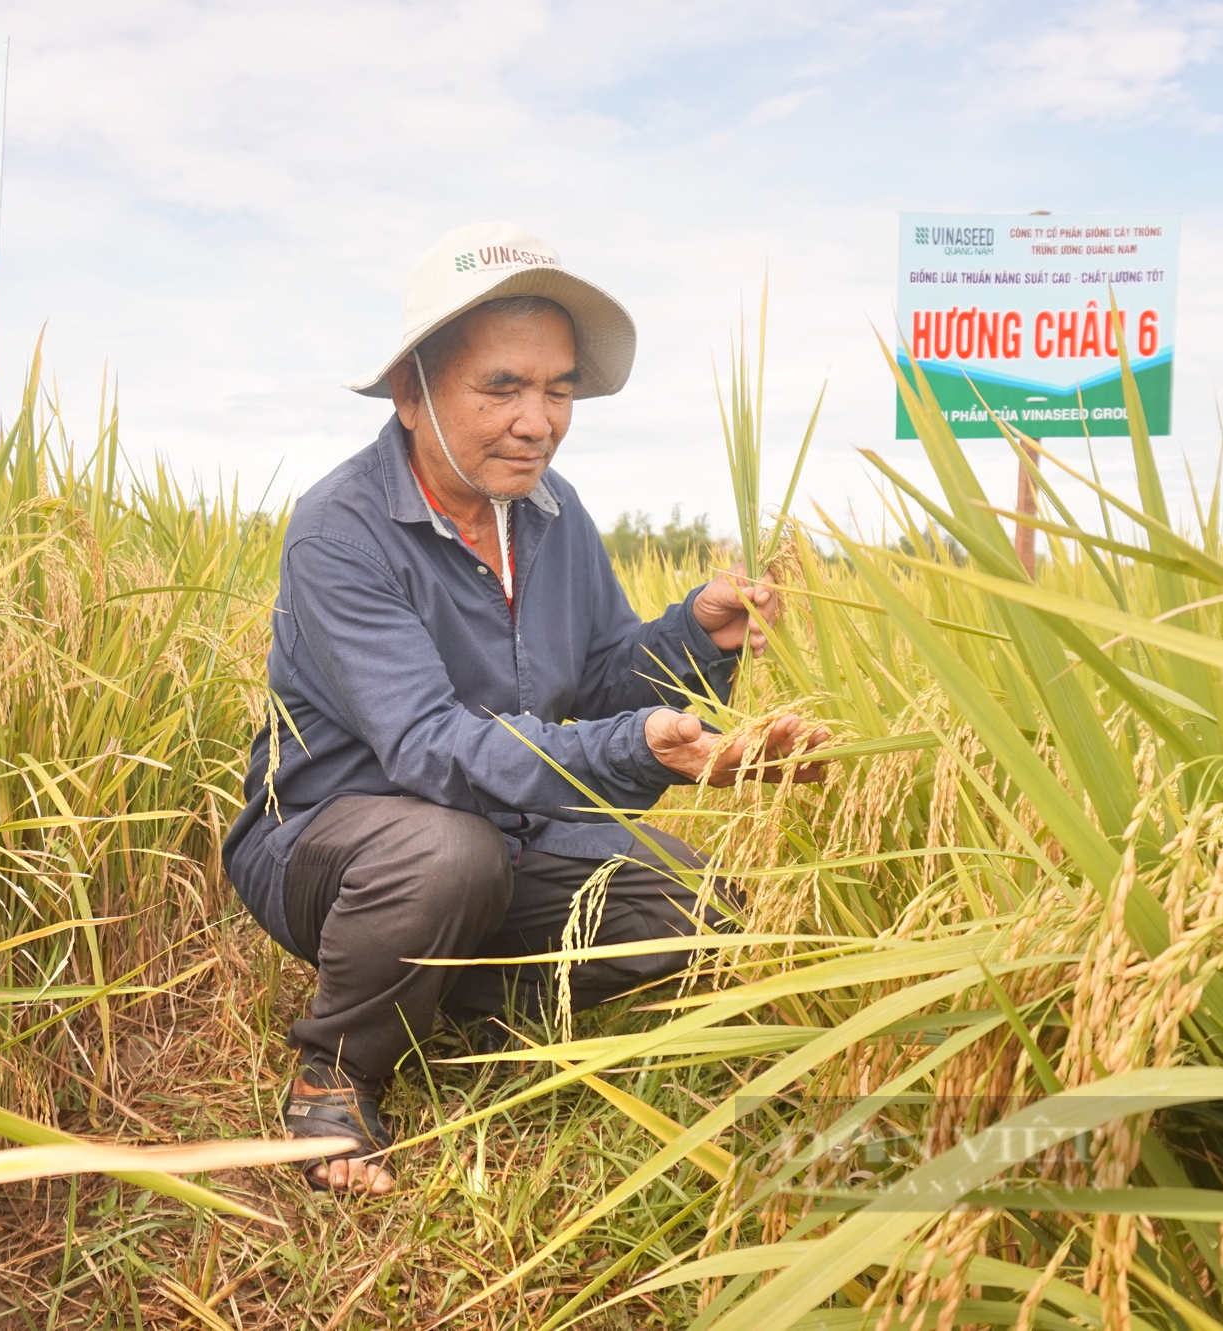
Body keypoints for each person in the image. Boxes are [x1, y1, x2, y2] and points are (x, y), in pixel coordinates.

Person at [222, 222, 832, 1194]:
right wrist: (630, 747)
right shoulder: (340, 529)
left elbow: (593, 683)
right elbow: (429, 745)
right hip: (340, 846)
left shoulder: (553, 512)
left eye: (557, 388)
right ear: (410, 394)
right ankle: (334, 1074)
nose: (536, 419)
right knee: (442, 852)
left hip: (508, 834)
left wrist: (692, 638)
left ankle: (444, 992)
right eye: (501, 386)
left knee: (702, 908)